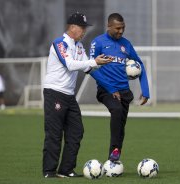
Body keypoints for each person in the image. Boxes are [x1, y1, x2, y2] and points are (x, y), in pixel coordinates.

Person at [42, 12, 113, 178]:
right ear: (72, 27)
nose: (84, 31)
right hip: (55, 92)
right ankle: (49, 171)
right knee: (55, 132)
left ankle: (66, 169)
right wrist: (94, 62)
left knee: (76, 131)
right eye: (82, 27)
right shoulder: (60, 43)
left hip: (68, 95)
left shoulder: (79, 46)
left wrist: (109, 83)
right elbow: (70, 65)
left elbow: (87, 68)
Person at [89, 13, 150, 162]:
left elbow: (139, 64)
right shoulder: (98, 43)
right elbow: (90, 68)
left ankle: (113, 160)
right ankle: (114, 152)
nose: (121, 31)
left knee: (121, 126)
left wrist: (145, 90)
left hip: (124, 91)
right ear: (109, 26)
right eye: (117, 28)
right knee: (116, 110)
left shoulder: (126, 44)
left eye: (123, 28)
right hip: (106, 90)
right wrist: (110, 88)